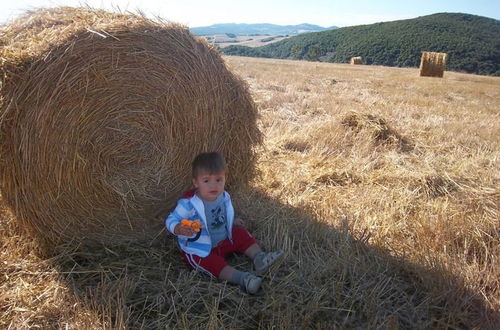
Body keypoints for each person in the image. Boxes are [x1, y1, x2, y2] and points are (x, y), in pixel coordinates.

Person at [166, 152, 283, 294]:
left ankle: (259, 257)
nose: (213, 185)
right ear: (196, 182)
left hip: (223, 239)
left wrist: (231, 221)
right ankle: (243, 279)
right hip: (201, 248)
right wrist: (178, 228)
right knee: (212, 264)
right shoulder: (188, 204)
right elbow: (171, 220)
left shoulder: (224, 196)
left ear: (225, 178)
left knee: (240, 233)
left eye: (218, 179)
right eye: (206, 181)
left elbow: (223, 214)